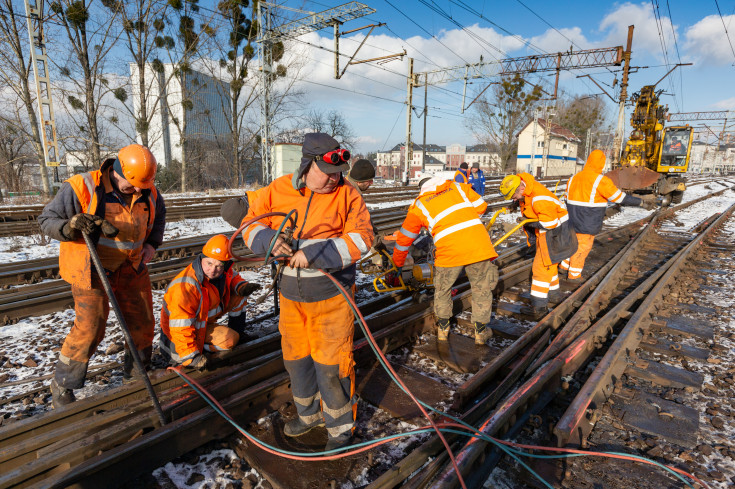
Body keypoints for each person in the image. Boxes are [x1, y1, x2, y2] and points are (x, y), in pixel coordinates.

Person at [241, 133, 373, 450]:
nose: (333, 180)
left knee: (332, 365)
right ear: (307, 165)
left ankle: (341, 430)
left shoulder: (349, 196)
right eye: (327, 174)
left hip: (332, 297)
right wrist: (267, 241)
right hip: (290, 297)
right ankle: (309, 414)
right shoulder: (277, 190)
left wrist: (316, 254)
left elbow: (363, 238)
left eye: (338, 174)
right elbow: (249, 223)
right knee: (297, 361)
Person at [38, 144, 166, 408]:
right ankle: (63, 383)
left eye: (143, 186)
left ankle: (136, 375)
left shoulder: (149, 191)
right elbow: (46, 220)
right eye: (132, 186)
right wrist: (69, 226)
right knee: (91, 326)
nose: (140, 191)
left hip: (131, 267)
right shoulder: (81, 186)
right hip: (91, 269)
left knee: (142, 322)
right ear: (117, 173)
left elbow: (159, 219)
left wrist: (151, 245)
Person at [392, 176, 498, 344]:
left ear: (422, 189)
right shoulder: (459, 187)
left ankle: (443, 330)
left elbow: (404, 240)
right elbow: (482, 206)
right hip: (477, 245)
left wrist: (398, 264)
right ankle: (480, 333)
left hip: (449, 251)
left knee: (442, 289)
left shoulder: (419, 205)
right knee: (481, 288)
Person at [159, 235, 261, 368]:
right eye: (209, 263)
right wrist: (191, 357)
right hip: (177, 342)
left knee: (239, 295)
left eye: (219, 266)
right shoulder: (185, 287)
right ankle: (198, 351)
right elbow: (180, 327)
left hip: (201, 325)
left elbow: (232, 276)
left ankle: (238, 332)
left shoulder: (222, 272)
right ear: (202, 258)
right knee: (229, 340)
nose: (213, 270)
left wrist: (241, 286)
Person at [562, 150, 655, 282]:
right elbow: (619, 198)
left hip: (572, 219)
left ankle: (564, 266)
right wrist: (640, 202)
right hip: (588, 221)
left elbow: (566, 198)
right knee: (582, 247)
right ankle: (574, 275)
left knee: (572, 243)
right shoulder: (600, 181)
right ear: (601, 163)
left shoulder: (573, 178)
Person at [499, 173, 577, 318]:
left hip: (555, 233)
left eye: (513, 197)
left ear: (521, 189)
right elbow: (527, 203)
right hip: (550, 232)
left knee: (540, 269)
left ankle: (539, 308)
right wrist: (517, 205)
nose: (513, 199)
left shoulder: (539, 199)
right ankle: (554, 296)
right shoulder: (528, 190)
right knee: (550, 265)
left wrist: (526, 221)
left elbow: (550, 223)